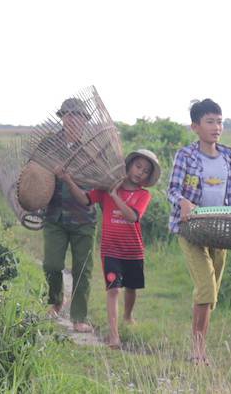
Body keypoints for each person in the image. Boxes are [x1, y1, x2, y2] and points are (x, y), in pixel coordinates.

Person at [167, 99, 231, 366]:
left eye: (219, 121)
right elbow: (173, 190)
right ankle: (198, 350)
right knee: (206, 288)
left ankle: (200, 344)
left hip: (220, 231)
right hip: (191, 229)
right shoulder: (186, 156)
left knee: (211, 293)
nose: (217, 127)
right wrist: (182, 202)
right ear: (195, 126)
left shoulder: (228, 158)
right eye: (210, 121)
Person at [56, 149, 160, 348]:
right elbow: (85, 200)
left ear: (148, 177)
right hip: (110, 250)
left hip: (133, 250)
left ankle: (128, 316)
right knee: (113, 290)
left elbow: (132, 217)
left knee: (131, 288)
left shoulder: (143, 195)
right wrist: (68, 180)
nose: (140, 172)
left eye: (145, 171)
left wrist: (115, 196)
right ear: (128, 166)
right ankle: (114, 335)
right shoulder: (105, 190)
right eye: (138, 166)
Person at [42, 98, 97, 333]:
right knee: (52, 265)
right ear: (62, 117)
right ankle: (56, 301)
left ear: (85, 120)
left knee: (82, 269)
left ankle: (79, 317)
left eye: (78, 115)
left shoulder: (94, 148)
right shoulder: (48, 145)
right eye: (68, 115)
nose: (73, 119)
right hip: (54, 215)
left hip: (84, 217)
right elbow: (33, 174)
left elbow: (100, 181)